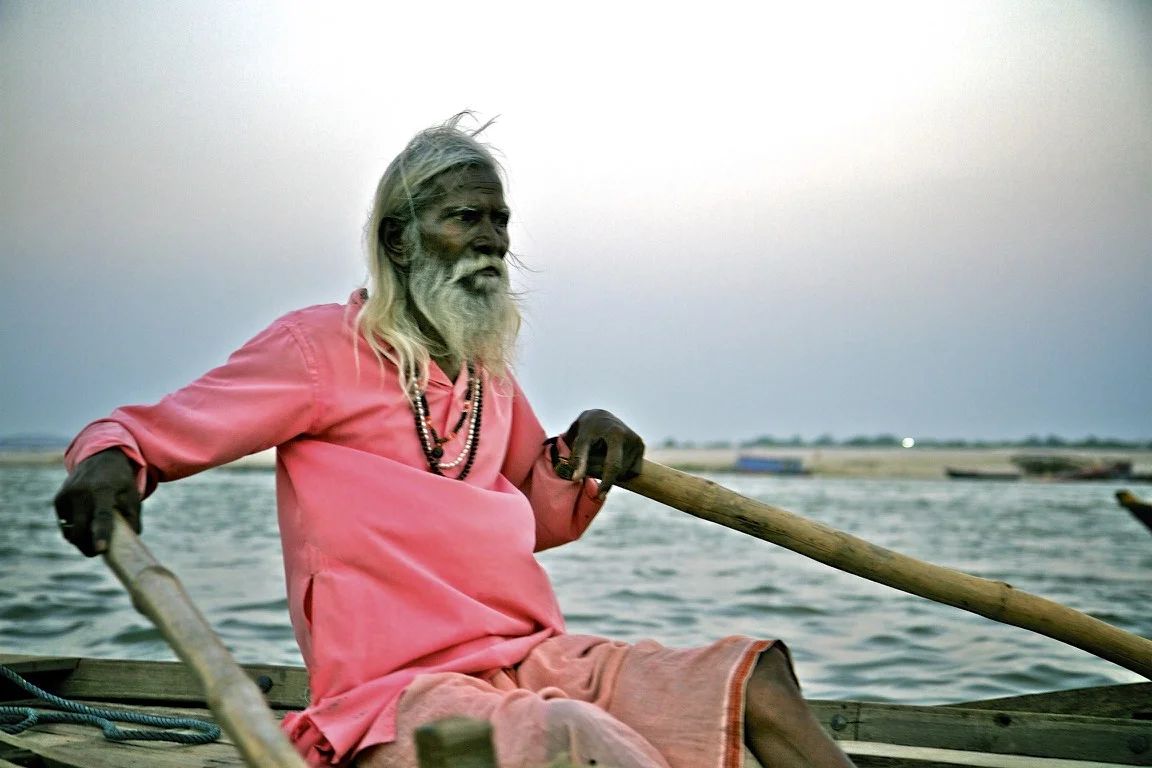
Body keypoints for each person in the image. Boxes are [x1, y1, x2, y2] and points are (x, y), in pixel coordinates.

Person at [54, 115, 853, 768]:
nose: (492, 240)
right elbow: (152, 434)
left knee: (759, 677)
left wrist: (587, 446)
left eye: (500, 221)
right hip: (398, 693)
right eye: (465, 218)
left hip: (531, 656)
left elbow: (540, 513)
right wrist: (109, 458)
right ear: (401, 240)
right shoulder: (318, 350)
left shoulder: (486, 374)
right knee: (573, 736)